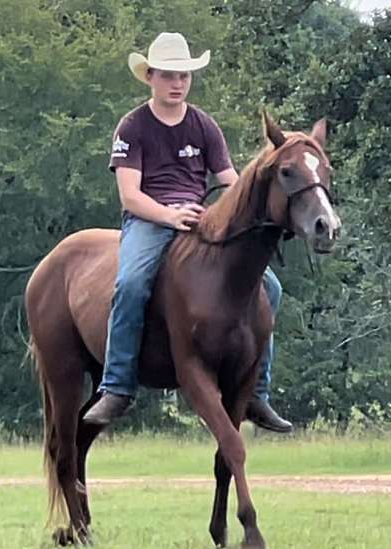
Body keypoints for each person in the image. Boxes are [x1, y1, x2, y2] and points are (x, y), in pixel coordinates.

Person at [83, 32, 292, 433]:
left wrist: (250, 200)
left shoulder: (203, 125)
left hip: (201, 220)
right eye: (168, 76)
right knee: (129, 284)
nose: (177, 83)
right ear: (151, 78)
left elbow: (229, 178)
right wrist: (168, 214)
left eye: (184, 76)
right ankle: (116, 386)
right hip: (149, 220)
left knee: (272, 289)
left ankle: (257, 395)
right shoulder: (133, 127)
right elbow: (130, 197)